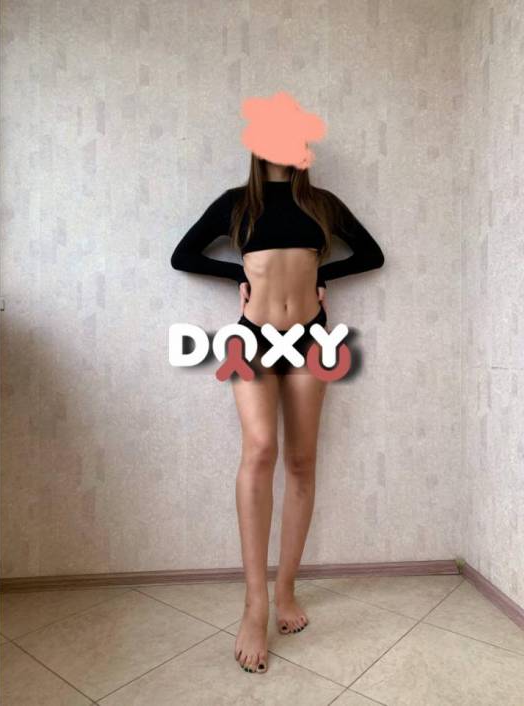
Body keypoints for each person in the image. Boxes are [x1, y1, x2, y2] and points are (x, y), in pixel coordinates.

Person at [171, 154, 385, 674]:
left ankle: (285, 589)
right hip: (253, 337)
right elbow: (183, 255)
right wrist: (237, 275)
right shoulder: (237, 204)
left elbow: (371, 254)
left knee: (302, 461)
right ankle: (255, 603)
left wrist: (323, 274)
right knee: (260, 449)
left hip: (311, 337)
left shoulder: (321, 205)